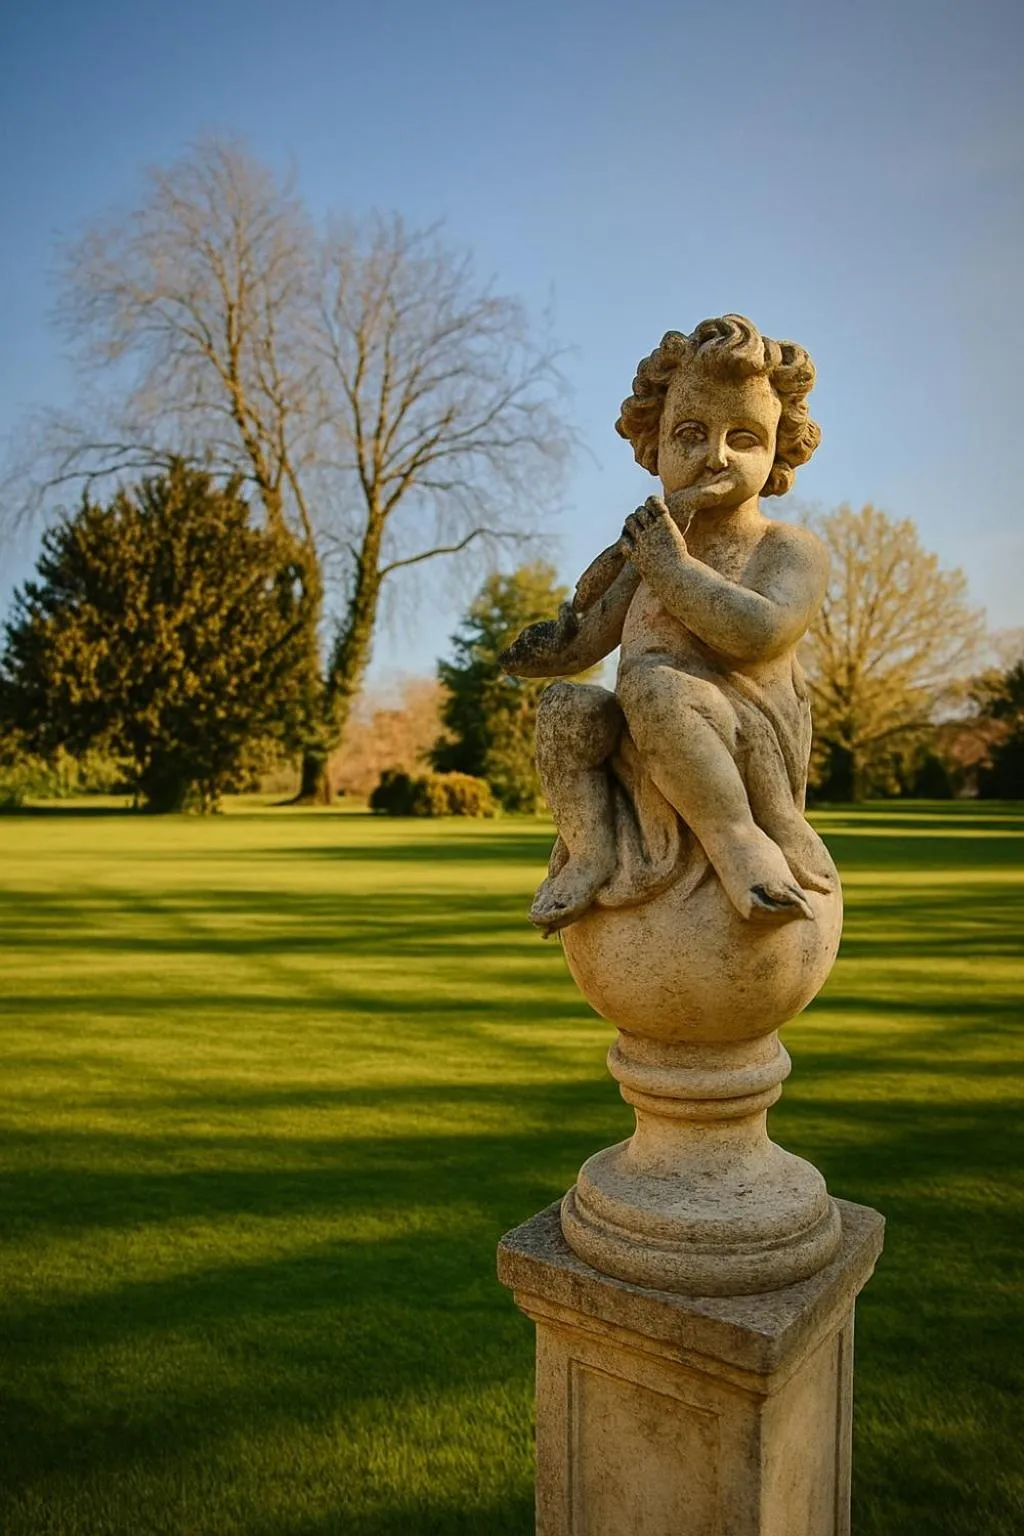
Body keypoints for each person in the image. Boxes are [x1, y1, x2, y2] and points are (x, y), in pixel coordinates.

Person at [500, 314, 836, 935]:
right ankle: (592, 849)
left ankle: (740, 842)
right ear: (653, 442)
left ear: (777, 453)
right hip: (648, 726)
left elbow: (758, 633)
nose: (716, 456)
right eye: (690, 434)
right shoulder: (650, 547)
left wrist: (672, 568)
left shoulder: (787, 549)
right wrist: (551, 647)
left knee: (655, 684)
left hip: (740, 734)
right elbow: (593, 636)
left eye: (744, 438)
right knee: (566, 709)